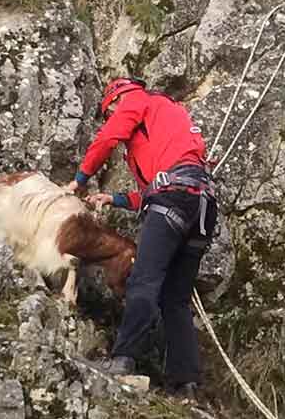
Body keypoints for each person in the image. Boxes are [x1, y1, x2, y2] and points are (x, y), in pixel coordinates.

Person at [67, 77, 217, 398]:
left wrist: (79, 181)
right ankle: (186, 384)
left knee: (143, 282)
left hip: (174, 200)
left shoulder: (136, 100)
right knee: (174, 299)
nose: (112, 121)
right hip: (202, 207)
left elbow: (108, 138)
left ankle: (123, 360)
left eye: (110, 113)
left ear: (116, 102)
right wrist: (115, 199)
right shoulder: (167, 118)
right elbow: (156, 188)